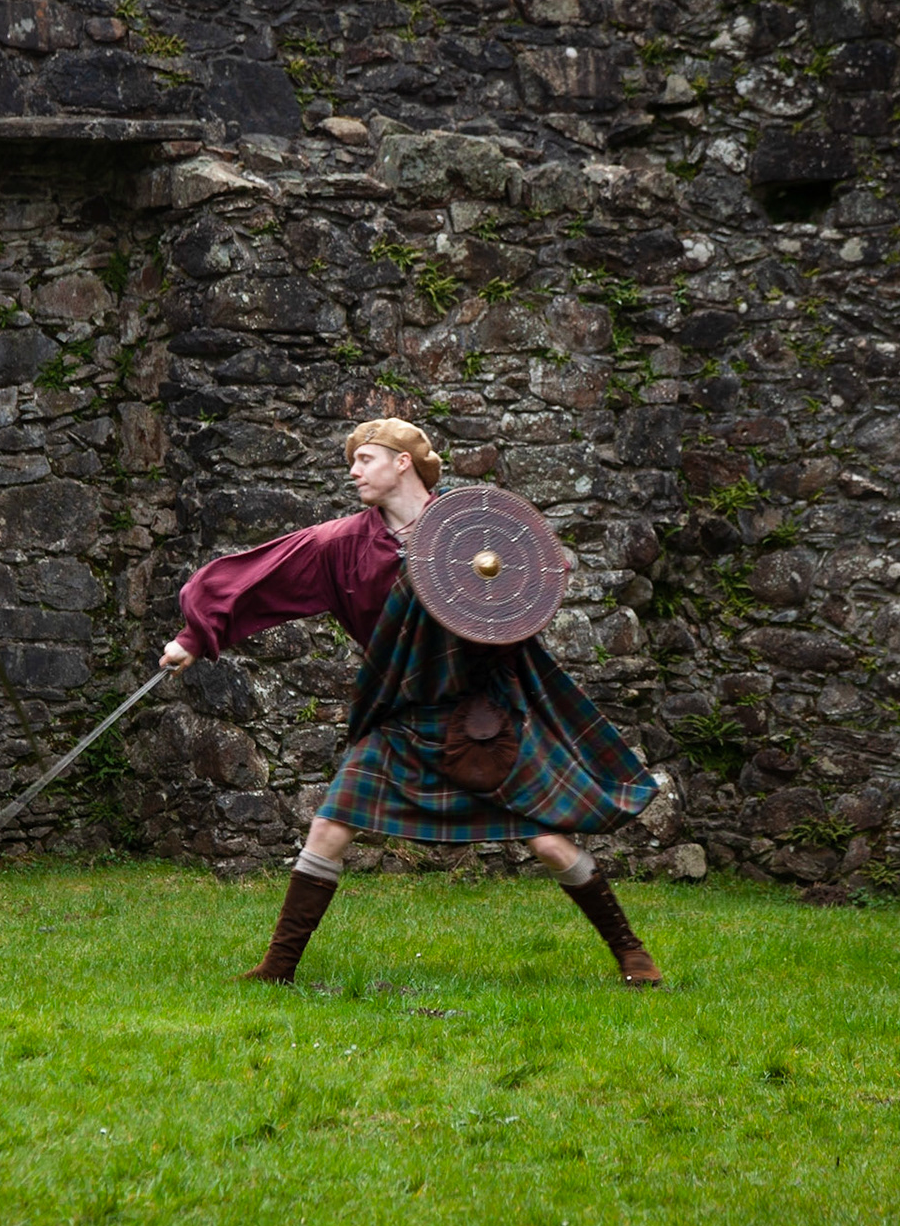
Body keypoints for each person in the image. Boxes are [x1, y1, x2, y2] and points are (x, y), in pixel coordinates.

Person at [160, 418, 664, 987]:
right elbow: (261, 576)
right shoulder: (344, 545)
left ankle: (632, 954)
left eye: (366, 458)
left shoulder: (480, 531)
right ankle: (277, 968)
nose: (354, 471)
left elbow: (535, 579)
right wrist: (193, 638)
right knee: (329, 827)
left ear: (404, 462)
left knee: (547, 842)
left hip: (482, 715)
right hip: (399, 711)